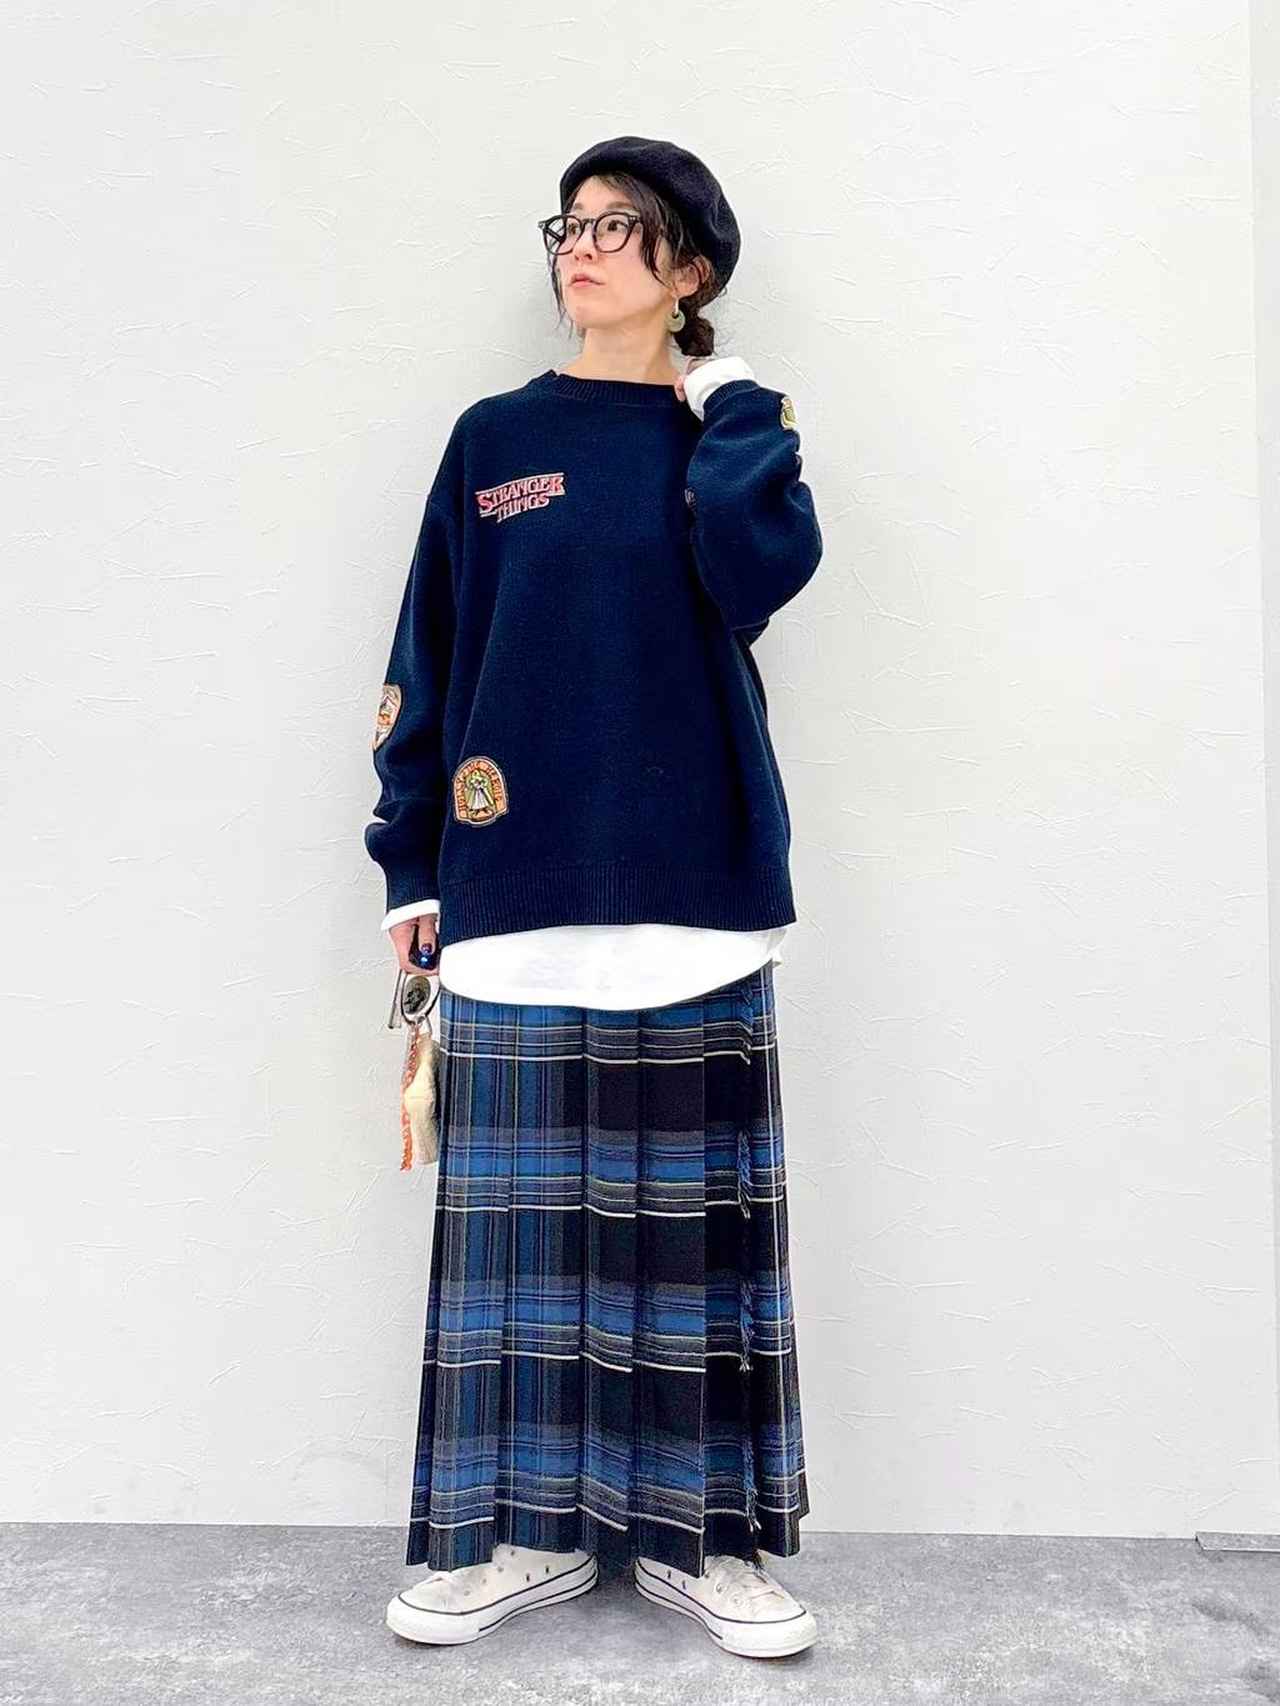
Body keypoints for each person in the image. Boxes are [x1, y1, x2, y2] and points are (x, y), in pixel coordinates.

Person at [366, 135, 823, 1660]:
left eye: (619, 226)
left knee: (694, 1246)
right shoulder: (494, 438)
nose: (580, 244)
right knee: (520, 1258)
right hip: (512, 883)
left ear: (687, 268)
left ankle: (710, 1544)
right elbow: (431, 648)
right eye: (568, 222)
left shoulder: (730, 434)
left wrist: (734, 411)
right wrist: (409, 860)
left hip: (696, 883)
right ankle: (521, 1536)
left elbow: (763, 576)